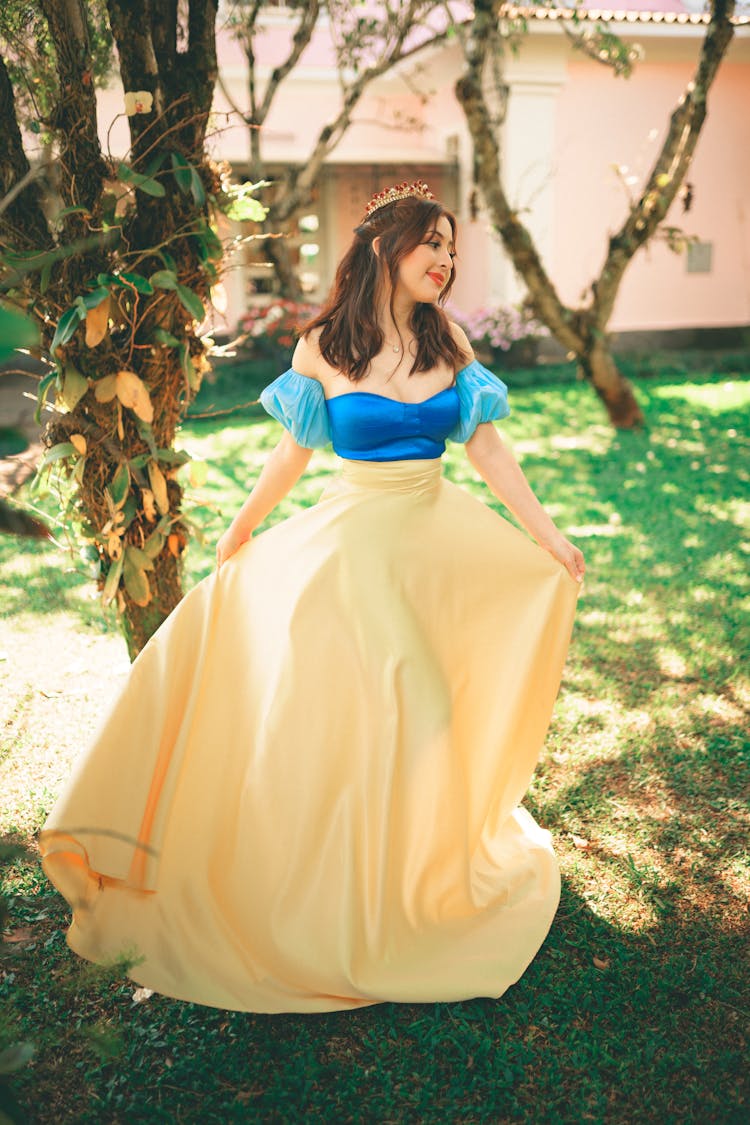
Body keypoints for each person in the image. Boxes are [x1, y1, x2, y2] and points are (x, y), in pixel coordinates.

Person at [40, 181, 585, 1014]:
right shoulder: (324, 346)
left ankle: (416, 879)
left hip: (438, 541)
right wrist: (243, 528)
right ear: (384, 250)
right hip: (356, 545)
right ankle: (337, 896)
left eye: (451, 248)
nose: (444, 259)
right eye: (431, 243)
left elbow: (489, 450)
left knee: (429, 714)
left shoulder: (450, 342)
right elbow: (292, 455)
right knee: (387, 703)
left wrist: (548, 537)